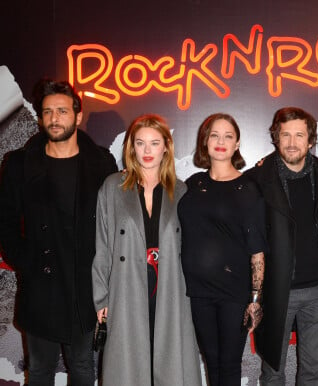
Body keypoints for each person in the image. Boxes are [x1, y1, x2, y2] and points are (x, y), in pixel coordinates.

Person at [0, 79, 116, 385]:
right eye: (48, 111)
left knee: (82, 368)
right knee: (39, 371)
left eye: (62, 111)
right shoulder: (19, 165)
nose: (54, 118)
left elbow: (112, 224)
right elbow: (6, 223)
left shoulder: (102, 163)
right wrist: (27, 262)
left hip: (84, 286)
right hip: (41, 286)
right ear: (40, 117)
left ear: (78, 116)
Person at [92, 114, 201, 386]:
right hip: (127, 288)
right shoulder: (112, 188)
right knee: (129, 366)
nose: (148, 151)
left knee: (171, 363)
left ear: (166, 146)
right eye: (140, 143)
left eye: (154, 143)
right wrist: (101, 297)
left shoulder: (181, 191)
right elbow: (103, 246)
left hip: (170, 291)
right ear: (131, 147)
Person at [246, 107, 318, 385]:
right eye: (285, 135)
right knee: (273, 371)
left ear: (311, 140)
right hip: (278, 291)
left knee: (313, 371)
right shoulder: (257, 180)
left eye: (299, 135)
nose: (291, 142)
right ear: (276, 138)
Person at [178, 113, 267, 386]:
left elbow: (257, 251)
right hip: (198, 291)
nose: (221, 141)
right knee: (211, 361)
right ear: (205, 141)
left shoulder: (248, 187)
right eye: (214, 135)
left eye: (228, 136)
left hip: (234, 293)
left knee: (228, 366)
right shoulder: (192, 184)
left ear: (237, 144)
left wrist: (255, 299)